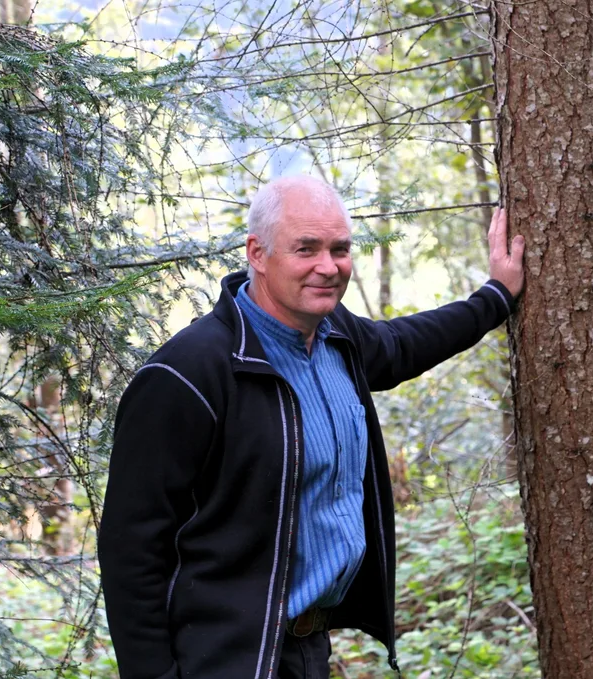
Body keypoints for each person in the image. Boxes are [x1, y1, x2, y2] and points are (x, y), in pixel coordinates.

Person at [98, 175, 525, 679]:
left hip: (308, 649)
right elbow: (131, 550)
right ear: (257, 253)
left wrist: (496, 296)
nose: (328, 267)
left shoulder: (335, 337)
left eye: (339, 249)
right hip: (221, 658)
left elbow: (405, 344)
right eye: (306, 249)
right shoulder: (189, 373)